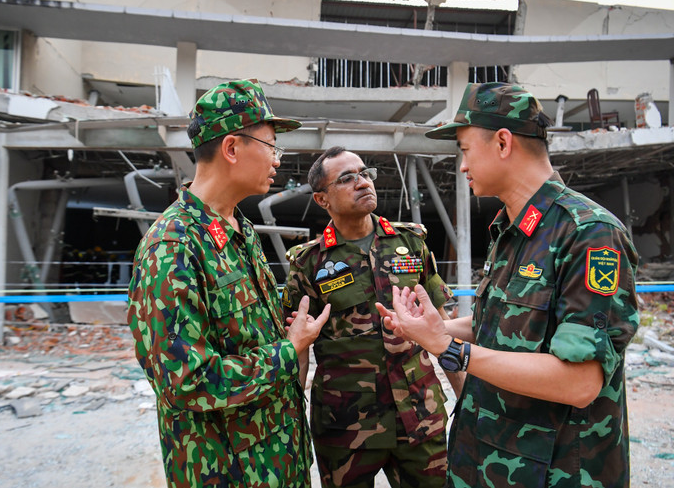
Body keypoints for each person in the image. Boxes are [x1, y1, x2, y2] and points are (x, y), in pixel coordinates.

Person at [377, 82, 640, 488]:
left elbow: (580, 382)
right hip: (484, 459)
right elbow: (501, 325)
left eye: (465, 150)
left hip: (552, 472)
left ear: (502, 143)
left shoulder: (588, 234)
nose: (462, 166)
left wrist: (451, 349)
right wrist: (433, 329)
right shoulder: (511, 229)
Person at [127, 79, 330, 488]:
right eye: (272, 146)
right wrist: (288, 350)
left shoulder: (242, 230)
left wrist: (286, 331)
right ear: (232, 148)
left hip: (278, 460)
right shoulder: (173, 246)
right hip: (226, 471)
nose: (277, 160)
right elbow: (186, 382)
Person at [283, 146, 463, 488]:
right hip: (345, 427)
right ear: (322, 199)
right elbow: (299, 349)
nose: (363, 182)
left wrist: (464, 395)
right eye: (347, 178)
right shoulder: (308, 264)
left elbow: (443, 328)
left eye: (366, 174)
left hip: (420, 418)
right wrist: (291, 420)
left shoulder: (411, 243)